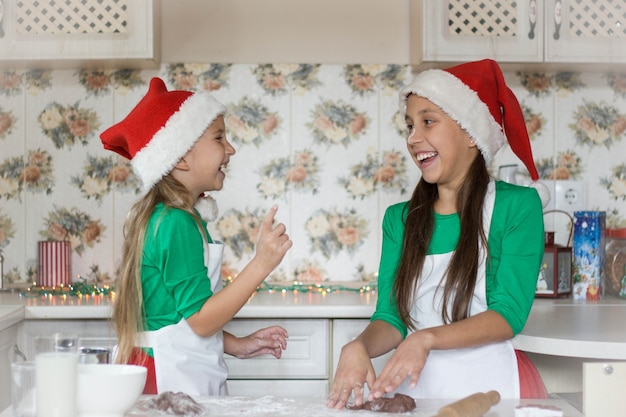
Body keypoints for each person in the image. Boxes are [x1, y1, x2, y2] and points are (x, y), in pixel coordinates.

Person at [327, 59, 549, 409]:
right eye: (410, 125)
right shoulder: (399, 219)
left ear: (471, 135)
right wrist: (359, 346)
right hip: (418, 391)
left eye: (428, 122)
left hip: (492, 389)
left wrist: (426, 339)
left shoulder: (517, 207)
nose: (414, 138)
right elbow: (391, 317)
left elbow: (507, 316)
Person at [100, 77, 292, 396]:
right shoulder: (174, 223)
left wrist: (237, 345)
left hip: (174, 367)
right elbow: (201, 320)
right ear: (180, 157)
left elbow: (181, 316)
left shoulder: (183, 219)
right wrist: (261, 264)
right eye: (219, 137)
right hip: (166, 377)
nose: (230, 149)